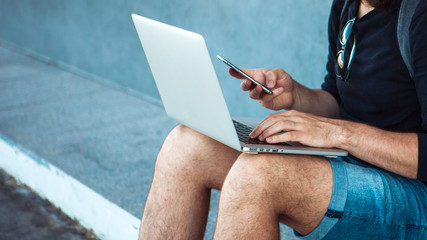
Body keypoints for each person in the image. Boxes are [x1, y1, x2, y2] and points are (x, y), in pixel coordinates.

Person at [139, 0, 427, 239]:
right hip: (350, 160)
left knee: (258, 176)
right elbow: (339, 103)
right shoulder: (347, 6)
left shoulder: (419, 16)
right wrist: (295, 96)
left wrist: (340, 134)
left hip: (413, 192)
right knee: (186, 146)